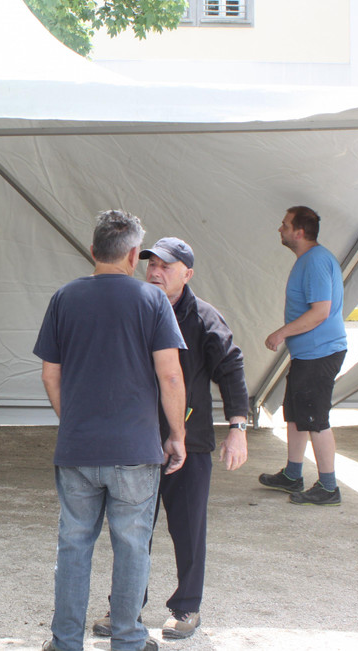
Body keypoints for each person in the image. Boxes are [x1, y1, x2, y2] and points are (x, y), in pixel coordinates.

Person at [34, 210, 187, 651]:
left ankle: (66, 641)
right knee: (132, 545)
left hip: (78, 448)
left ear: (93, 250)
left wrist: (73, 420)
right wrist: (176, 435)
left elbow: (50, 375)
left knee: (73, 545)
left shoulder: (64, 298)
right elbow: (170, 375)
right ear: (134, 255)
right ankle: (128, 639)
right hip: (135, 449)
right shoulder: (152, 300)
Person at [90, 237, 249, 640]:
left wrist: (237, 428)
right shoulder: (134, 309)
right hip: (136, 439)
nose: (156, 272)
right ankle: (124, 607)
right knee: (130, 530)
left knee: (187, 529)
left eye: (166, 266)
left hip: (188, 441)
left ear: (187, 274)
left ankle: (187, 607)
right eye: (152, 264)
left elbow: (231, 368)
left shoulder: (204, 317)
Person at [259, 206, 347, 506]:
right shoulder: (310, 260)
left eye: (285, 225)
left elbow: (321, 312)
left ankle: (328, 487)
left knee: (315, 419)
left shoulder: (316, 261)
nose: (280, 229)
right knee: (296, 415)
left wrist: (281, 333)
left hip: (320, 354)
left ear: (299, 232)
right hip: (309, 354)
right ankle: (292, 474)